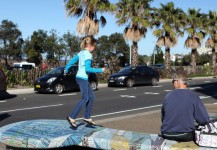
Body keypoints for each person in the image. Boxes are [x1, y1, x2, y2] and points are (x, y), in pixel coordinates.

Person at [65, 35, 106, 128]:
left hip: (81, 77)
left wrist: (67, 68)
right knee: (85, 98)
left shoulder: (81, 53)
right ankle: (72, 117)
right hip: (82, 78)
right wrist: (100, 70)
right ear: (91, 46)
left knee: (91, 97)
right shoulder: (88, 54)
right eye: (94, 47)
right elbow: (88, 69)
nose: (94, 49)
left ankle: (87, 117)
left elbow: (72, 61)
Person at [161, 70, 210, 142]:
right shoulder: (193, 96)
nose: (172, 84)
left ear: (177, 82)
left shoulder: (168, 96)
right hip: (185, 135)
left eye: (173, 81)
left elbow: (163, 118)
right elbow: (204, 120)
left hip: (166, 134)